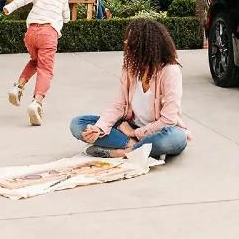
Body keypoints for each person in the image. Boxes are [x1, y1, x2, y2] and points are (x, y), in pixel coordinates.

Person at [69, 19, 190, 159]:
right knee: (78, 124)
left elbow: (168, 120)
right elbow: (118, 105)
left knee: (175, 138)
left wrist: (134, 133)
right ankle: (136, 148)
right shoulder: (131, 69)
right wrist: (99, 129)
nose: (126, 44)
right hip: (129, 127)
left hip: (161, 131)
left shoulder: (170, 71)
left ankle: (126, 151)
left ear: (147, 46)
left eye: (131, 41)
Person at [3, 0, 71, 126]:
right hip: (49, 33)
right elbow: (67, 17)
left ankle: (18, 87)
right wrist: (62, 18)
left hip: (31, 33)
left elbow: (22, 0)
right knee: (45, 70)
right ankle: (37, 103)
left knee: (35, 61)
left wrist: (8, 9)